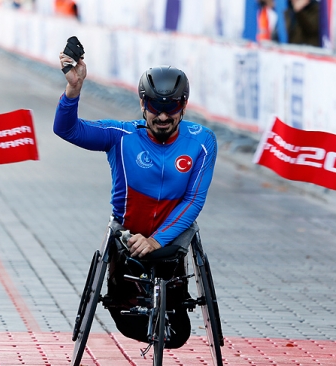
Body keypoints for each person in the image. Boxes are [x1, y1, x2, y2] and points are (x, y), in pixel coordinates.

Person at [53, 42, 218, 348]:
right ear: (143, 103)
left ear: (184, 105)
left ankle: (169, 295)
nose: (164, 116)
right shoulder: (122, 135)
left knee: (178, 337)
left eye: (172, 108)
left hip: (171, 240)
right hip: (127, 237)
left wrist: (157, 240)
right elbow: (68, 130)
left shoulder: (203, 141)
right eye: (156, 107)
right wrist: (73, 89)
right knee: (130, 323)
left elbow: (194, 199)